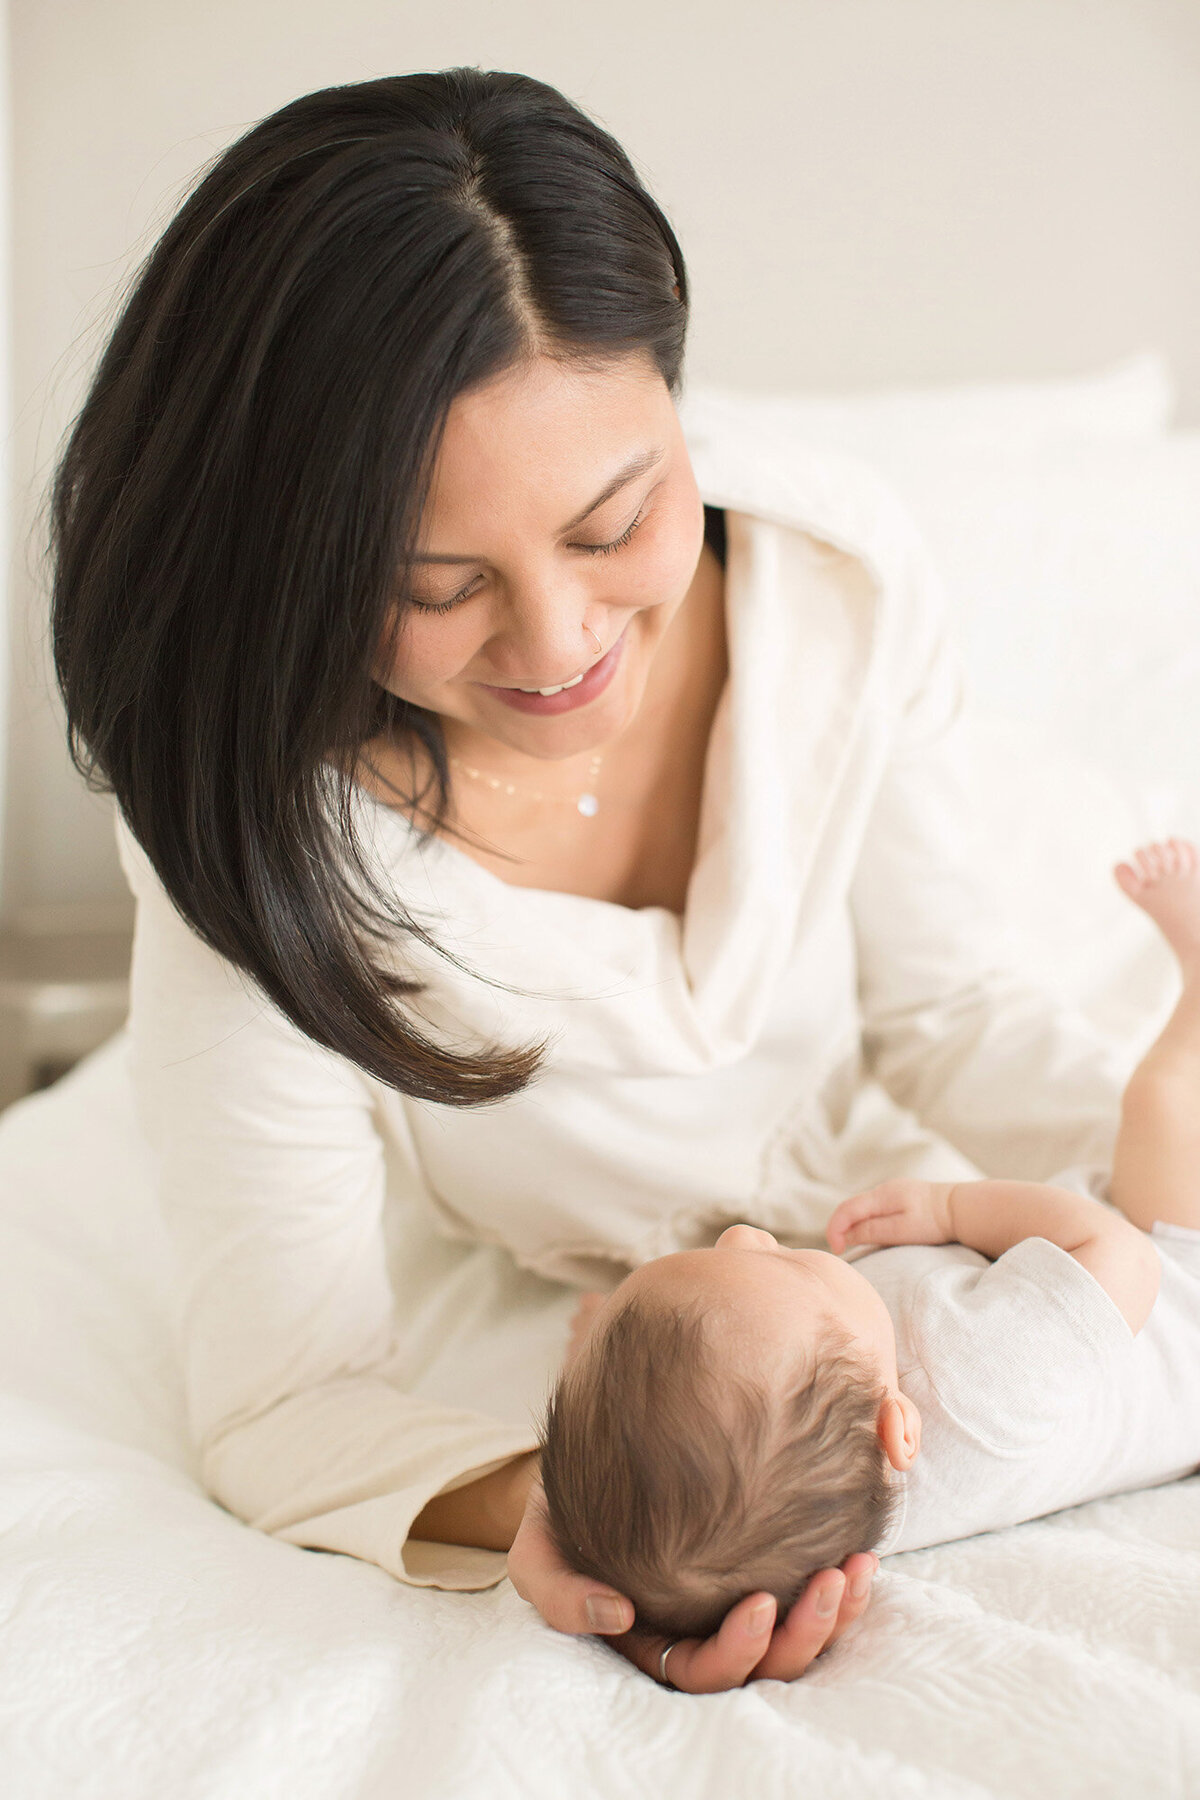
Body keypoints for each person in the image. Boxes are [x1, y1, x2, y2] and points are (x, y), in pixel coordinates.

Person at [49, 69, 1128, 1693]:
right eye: (440, 585)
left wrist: (1161, 1180)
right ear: (298, 564)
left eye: (619, 523)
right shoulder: (252, 845)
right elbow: (283, 1402)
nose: (558, 647)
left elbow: (962, 1009)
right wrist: (551, 1506)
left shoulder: (828, 579)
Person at [538, 841, 1200, 1666]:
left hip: (1088, 1282)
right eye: (785, 1264)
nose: (747, 1234)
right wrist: (952, 1203)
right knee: (1163, 1101)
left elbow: (670, 1491)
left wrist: (614, 1370)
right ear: (903, 1429)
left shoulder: (799, 1508)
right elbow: (1117, 1255)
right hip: (1177, 1282)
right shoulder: (984, 1380)